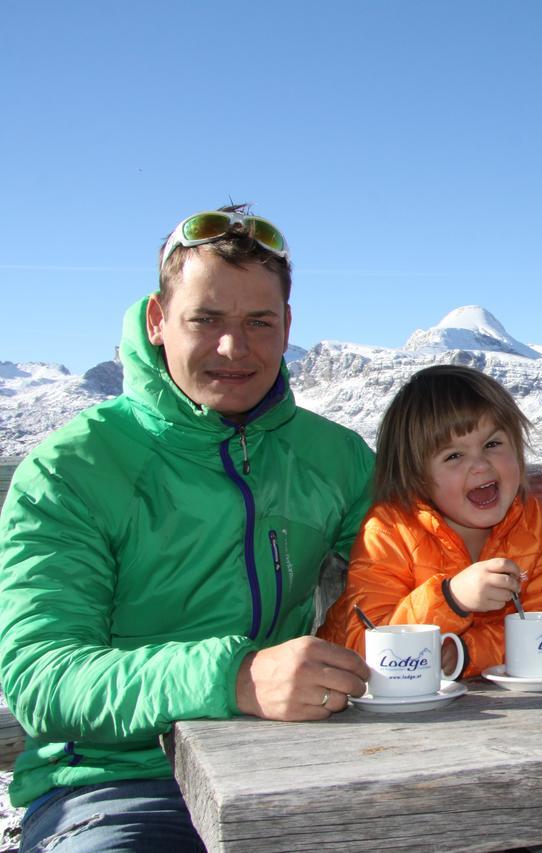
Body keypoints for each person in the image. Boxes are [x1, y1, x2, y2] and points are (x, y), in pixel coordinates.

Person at [0, 206, 376, 852]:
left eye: (260, 322)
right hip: (115, 785)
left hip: (289, 766)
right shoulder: (72, 470)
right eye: (206, 319)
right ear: (157, 320)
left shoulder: (335, 458)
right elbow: (41, 674)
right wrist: (234, 677)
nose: (235, 347)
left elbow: (412, 571)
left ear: (288, 329)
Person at [319, 364, 542, 676]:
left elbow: (538, 630)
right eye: (453, 456)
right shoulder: (389, 532)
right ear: (416, 476)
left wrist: (464, 654)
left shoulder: (536, 526)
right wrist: (451, 600)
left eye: (492, 444)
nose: (480, 465)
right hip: (349, 700)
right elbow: (364, 646)